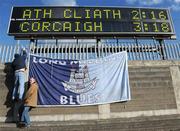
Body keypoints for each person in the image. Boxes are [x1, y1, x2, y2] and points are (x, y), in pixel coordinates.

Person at [11, 48, 27, 123]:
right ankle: (20, 96)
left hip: (15, 73)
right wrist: (24, 50)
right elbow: (25, 55)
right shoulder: (21, 57)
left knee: (15, 86)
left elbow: (12, 67)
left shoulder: (14, 60)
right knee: (21, 85)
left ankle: (13, 96)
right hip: (21, 72)